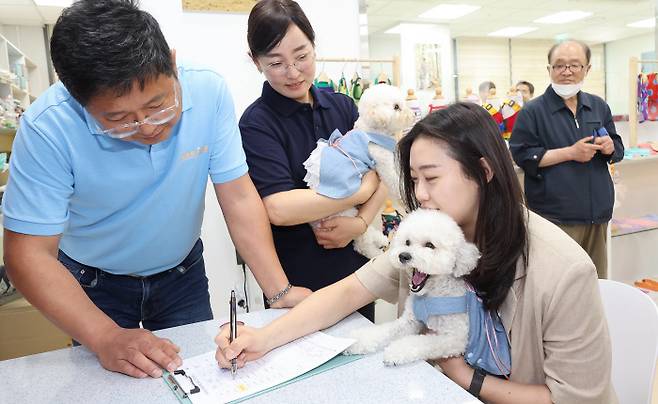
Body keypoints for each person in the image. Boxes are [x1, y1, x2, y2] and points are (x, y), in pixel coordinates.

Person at [216, 103, 616, 404]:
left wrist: (466, 378)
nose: (420, 194)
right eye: (413, 179)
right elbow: (348, 292)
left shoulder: (563, 269)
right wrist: (263, 339)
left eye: (432, 179)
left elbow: (576, 397)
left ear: (484, 171)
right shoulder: (425, 238)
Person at [2, 0, 311, 379]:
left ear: (173, 62)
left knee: (200, 378)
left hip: (183, 275)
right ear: (78, 100)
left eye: (159, 105)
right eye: (118, 120)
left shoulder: (208, 91)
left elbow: (238, 196)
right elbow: (28, 254)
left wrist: (279, 293)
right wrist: (104, 336)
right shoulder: (47, 127)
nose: (147, 127)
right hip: (92, 285)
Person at [239, 0, 387, 320]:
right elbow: (279, 207)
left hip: (356, 274)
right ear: (255, 62)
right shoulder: (257, 123)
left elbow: (382, 172)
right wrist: (358, 193)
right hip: (298, 283)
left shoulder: (343, 107)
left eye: (302, 56)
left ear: (314, 47)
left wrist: (360, 223)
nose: (293, 73)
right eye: (276, 62)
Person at [510, 40, 624, 278]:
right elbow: (521, 155)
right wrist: (570, 153)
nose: (567, 71)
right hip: (556, 217)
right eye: (559, 65)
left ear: (587, 69)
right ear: (549, 69)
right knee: (558, 285)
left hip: (597, 214)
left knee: (595, 281)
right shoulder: (533, 111)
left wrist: (609, 146)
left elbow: (618, 148)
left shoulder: (597, 106)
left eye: (575, 65)